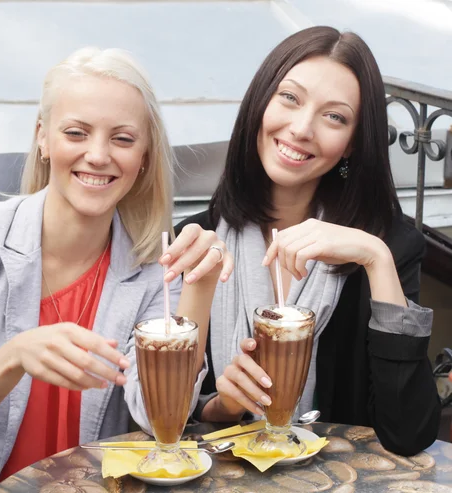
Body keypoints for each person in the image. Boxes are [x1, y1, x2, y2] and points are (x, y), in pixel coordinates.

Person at [0, 47, 233, 492]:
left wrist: (198, 289)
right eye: (76, 133)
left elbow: (163, 418)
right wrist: (14, 356)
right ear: (43, 138)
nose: (99, 155)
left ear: (143, 156)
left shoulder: (150, 272)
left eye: (122, 139)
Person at [177, 26, 440, 456]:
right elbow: (161, 420)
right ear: (261, 101)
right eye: (290, 98)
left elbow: (408, 432)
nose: (301, 128)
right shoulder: (200, 239)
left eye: (334, 116)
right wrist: (220, 406)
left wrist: (376, 257)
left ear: (353, 143)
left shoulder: (388, 243)